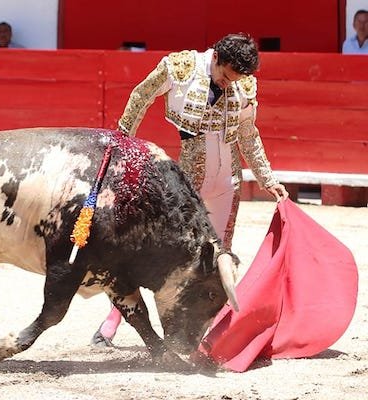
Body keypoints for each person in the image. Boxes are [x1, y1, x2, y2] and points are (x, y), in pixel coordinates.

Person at [91, 33, 289, 346]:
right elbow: (141, 95)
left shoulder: (244, 84)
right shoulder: (180, 67)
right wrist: (123, 142)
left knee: (219, 261)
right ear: (216, 58)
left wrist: (267, 178)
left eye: (234, 80)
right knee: (160, 256)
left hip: (228, 183)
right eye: (225, 76)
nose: (228, 84)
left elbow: (248, 136)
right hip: (187, 186)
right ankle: (114, 319)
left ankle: (207, 335)